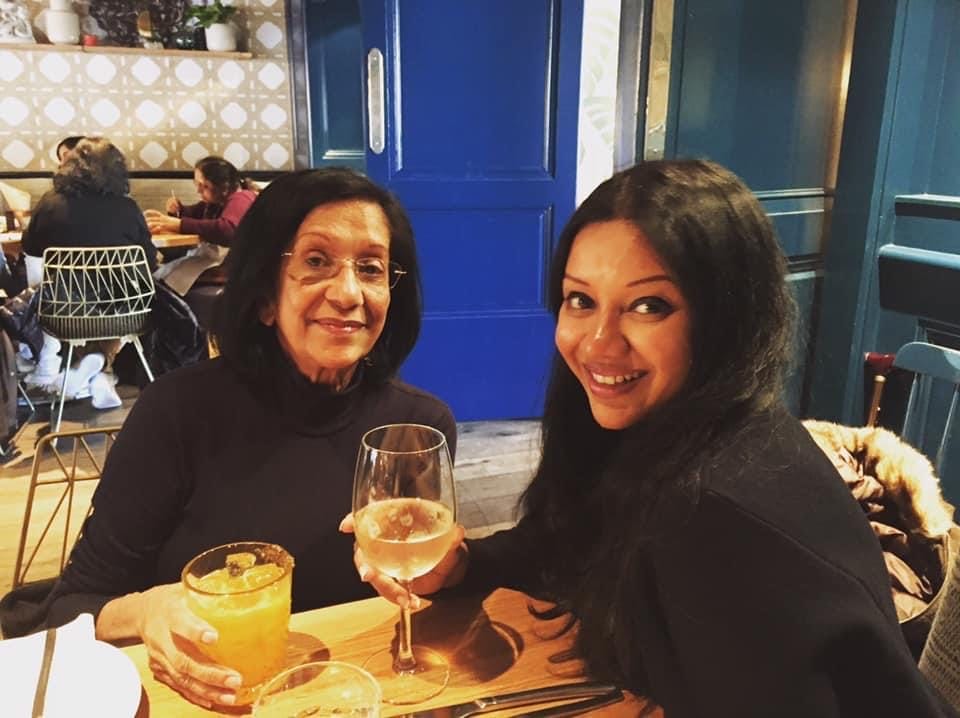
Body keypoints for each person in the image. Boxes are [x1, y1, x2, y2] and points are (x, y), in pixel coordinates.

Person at [344, 160, 957, 717]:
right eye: (580, 300)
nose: (597, 343)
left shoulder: (718, 509)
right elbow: (572, 540)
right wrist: (466, 564)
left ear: (726, 317)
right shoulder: (655, 432)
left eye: (648, 306)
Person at [44, 167, 457, 710]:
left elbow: (425, 592)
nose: (348, 292)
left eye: (371, 268)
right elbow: (71, 606)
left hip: (359, 696)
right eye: (316, 261)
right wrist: (144, 612)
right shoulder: (177, 412)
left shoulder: (418, 427)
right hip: (216, 699)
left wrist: (448, 571)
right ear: (265, 295)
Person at [21, 137, 157, 409]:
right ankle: (99, 368)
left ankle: (88, 369)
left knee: (78, 302)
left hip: (61, 312)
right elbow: (149, 262)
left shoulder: (50, 204)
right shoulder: (127, 207)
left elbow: (32, 256)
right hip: (123, 312)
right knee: (119, 301)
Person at [145, 156, 258, 296]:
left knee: (165, 279)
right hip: (217, 261)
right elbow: (192, 214)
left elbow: (227, 230)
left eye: (204, 186)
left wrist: (179, 224)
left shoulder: (242, 198)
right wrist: (177, 210)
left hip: (235, 267)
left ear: (223, 186)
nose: (198, 190)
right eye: (197, 184)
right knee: (162, 276)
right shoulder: (215, 203)